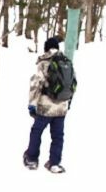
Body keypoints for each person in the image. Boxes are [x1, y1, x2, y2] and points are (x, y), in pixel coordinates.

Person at [23, 36, 74, 173]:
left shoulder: (44, 62)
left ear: (46, 48)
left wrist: (32, 104)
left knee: (37, 131)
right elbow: (72, 84)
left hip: (46, 107)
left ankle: (32, 159)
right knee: (58, 135)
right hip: (62, 107)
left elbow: (36, 84)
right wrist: (68, 103)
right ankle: (54, 163)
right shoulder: (66, 61)